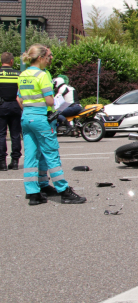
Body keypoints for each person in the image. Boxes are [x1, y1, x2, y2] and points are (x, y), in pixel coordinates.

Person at [16, 45, 85, 205]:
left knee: (31, 156)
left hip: (26, 117)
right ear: (40, 58)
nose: (50, 59)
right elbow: (50, 101)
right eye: (48, 56)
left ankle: (33, 193)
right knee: (51, 154)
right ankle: (64, 191)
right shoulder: (42, 75)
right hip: (41, 118)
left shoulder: (23, 74)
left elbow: (19, 99)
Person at [0, 52, 22, 171]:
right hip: (15, 105)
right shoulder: (18, 74)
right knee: (15, 134)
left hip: (1, 105)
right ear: (12, 61)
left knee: (1, 134)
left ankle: (2, 163)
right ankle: (15, 162)